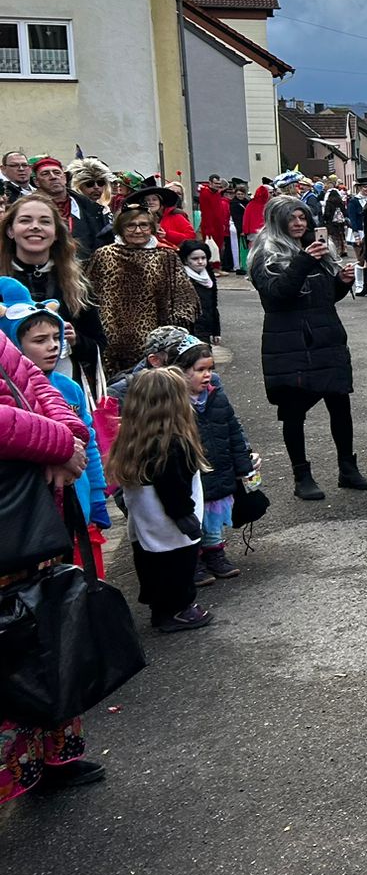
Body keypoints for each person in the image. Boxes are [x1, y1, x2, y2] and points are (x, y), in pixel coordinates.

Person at [0, 323, 96, 798]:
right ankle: (16, 773)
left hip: (31, 512)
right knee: (8, 646)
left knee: (47, 625)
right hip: (10, 517)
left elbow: (36, 381)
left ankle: (53, 758)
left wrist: (70, 436)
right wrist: (58, 444)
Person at [247, 193, 367, 501]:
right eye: (291, 218)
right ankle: (301, 476)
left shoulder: (314, 247)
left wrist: (341, 281)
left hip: (326, 335)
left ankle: (348, 469)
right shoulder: (266, 253)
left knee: (339, 403)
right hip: (289, 341)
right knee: (293, 411)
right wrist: (304, 261)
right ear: (277, 221)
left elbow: (324, 297)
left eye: (302, 217)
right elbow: (278, 294)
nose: (298, 223)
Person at [3, 301, 109, 578]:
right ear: (14, 344)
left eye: (56, 338)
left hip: (80, 504)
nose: (52, 346)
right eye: (40, 340)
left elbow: (90, 444)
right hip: (40, 515)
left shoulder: (69, 388)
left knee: (89, 582)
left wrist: (98, 497)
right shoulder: (15, 396)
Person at [107, 365, 212, 633]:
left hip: (145, 523)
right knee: (178, 566)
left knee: (152, 564)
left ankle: (161, 608)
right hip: (171, 525)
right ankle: (178, 610)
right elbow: (174, 489)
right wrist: (185, 516)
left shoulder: (133, 440)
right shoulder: (173, 444)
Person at [173, 338, 255, 586]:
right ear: (181, 371)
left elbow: (233, 431)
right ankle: (194, 559)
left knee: (214, 516)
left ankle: (215, 553)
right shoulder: (174, 403)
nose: (207, 375)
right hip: (194, 472)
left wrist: (244, 465)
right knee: (195, 515)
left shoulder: (216, 397)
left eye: (210, 369)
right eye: (200, 370)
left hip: (219, 467)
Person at [0, 191, 101, 391]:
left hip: (65, 391)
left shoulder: (76, 284)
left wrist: (76, 341)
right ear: (11, 231)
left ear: (56, 233)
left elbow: (98, 346)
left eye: (45, 221)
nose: (35, 226)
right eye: (25, 220)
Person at [87, 204, 199, 374]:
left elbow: (184, 298)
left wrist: (171, 336)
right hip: (110, 344)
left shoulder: (166, 256)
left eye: (143, 225)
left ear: (152, 228)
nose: (138, 231)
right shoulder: (104, 255)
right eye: (131, 225)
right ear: (120, 228)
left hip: (154, 346)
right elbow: (88, 295)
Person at [65, 157, 116, 258]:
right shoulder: (74, 211)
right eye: (89, 184)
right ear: (78, 186)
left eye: (101, 183)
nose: (96, 187)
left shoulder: (104, 211)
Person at [179, 239, 221, 341]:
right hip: (187, 330)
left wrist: (216, 331)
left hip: (205, 328)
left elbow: (213, 305)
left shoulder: (208, 276)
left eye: (203, 258)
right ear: (185, 260)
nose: (200, 262)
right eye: (195, 259)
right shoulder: (180, 278)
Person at [197, 175, 233, 268]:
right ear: (210, 183)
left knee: (218, 246)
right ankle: (211, 268)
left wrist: (222, 224)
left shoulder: (216, 193)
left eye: (219, 184)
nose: (218, 186)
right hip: (209, 224)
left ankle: (217, 267)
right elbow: (206, 212)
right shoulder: (205, 193)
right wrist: (208, 227)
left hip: (218, 224)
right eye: (216, 183)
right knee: (211, 247)